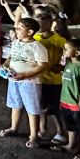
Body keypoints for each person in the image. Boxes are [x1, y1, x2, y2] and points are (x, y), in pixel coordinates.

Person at [0, 18, 48, 149]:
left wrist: (25, 75)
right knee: (15, 105)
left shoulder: (37, 47)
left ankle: (34, 135)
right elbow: (11, 57)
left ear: (30, 31)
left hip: (29, 82)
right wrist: (4, 66)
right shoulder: (16, 43)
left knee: (32, 108)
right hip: (14, 80)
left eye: (20, 28)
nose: (16, 31)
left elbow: (42, 66)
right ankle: (13, 127)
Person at [52, 39, 80, 159]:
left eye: (67, 49)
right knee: (70, 124)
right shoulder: (69, 64)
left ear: (77, 53)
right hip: (66, 101)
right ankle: (71, 144)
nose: (64, 51)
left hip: (76, 103)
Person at [34, 12, 69, 144]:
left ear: (48, 24)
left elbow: (69, 53)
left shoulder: (58, 39)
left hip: (53, 79)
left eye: (39, 24)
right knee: (41, 105)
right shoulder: (35, 37)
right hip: (38, 78)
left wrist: (62, 66)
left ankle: (61, 131)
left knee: (54, 107)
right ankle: (43, 129)